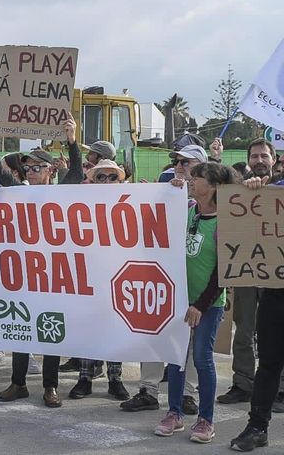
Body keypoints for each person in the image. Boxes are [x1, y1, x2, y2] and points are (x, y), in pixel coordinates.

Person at [0, 116, 81, 408]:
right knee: (21, 328)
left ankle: (50, 387)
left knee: (49, 330)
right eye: (27, 167)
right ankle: (18, 384)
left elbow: (77, 173)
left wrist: (72, 142)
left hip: (52, 273)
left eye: (37, 167)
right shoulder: (17, 191)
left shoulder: (61, 193)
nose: (30, 171)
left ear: (51, 170)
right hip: (23, 272)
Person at [154, 162, 235, 443]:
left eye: (197, 177)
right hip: (179, 301)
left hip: (207, 305)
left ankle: (205, 420)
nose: (191, 179)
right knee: (176, 358)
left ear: (213, 186)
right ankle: (174, 413)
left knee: (201, 358)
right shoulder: (187, 209)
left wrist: (200, 305)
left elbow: (221, 273)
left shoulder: (225, 221)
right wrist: (169, 191)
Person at [121, 145, 204, 414]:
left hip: (193, 282)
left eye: (186, 162)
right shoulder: (166, 191)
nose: (179, 165)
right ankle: (148, 390)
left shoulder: (209, 202)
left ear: (202, 168)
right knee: (153, 333)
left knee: (192, 340)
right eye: (177, 161)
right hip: (161, 279)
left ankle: (189, 394)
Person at [219, 138, 278, 406]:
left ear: (273, 160)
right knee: (243, 330)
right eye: (254, 156)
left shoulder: (281, 190)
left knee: (277, 331)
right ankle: (242, 383)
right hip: (245, 269)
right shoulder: (239, 193)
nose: (259, 161)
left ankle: (279, 388)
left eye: (264, 156)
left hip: (277, 275)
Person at [66, 159, 130, 402]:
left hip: (119, 273)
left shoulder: (131, 204)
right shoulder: (82, 205)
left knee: (116, 327)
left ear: (120, 181)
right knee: (88, 326)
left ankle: (116, 379)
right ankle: (85, 377)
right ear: (92, 180)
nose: (106, 181)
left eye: (112, 177)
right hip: (88, 274)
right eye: (101, 177)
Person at [230, 171, 284, 451]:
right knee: (269, 363)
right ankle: (257, 427)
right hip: (276, 292)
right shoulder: (274, 190)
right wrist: (252, 190)